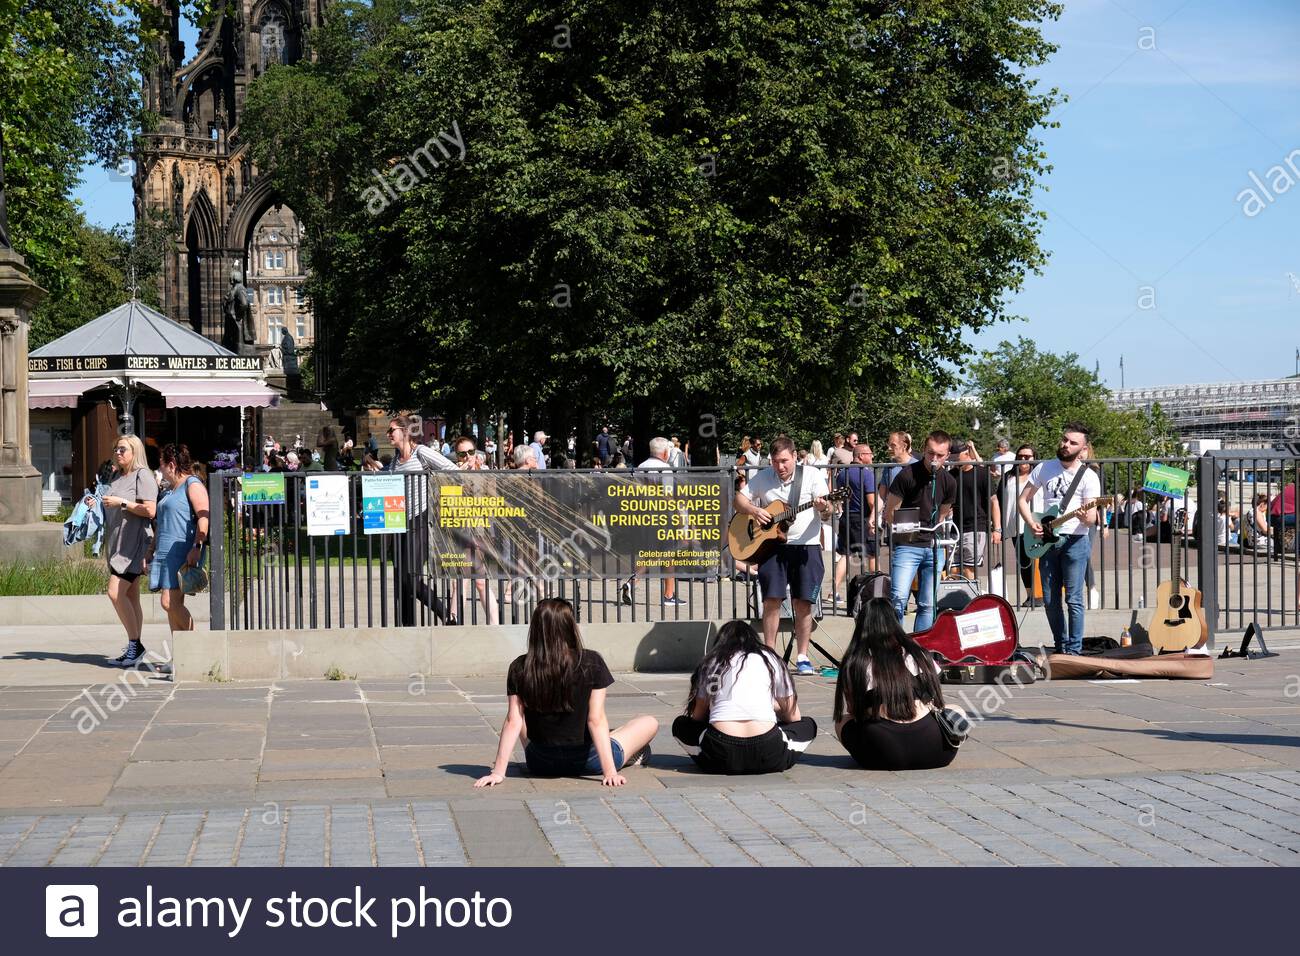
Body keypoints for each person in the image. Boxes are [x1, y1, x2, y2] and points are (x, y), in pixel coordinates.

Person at [475, 599, 658, 786]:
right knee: (648, 722)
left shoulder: (520, 667)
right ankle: (623, 751)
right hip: (589, 761)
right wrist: (610, 772)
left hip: (541, 763)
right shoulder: (591, 661)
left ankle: (615, 742)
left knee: (518, 714)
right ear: (570, 625)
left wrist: (498, 772)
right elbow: (595, 720)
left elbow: (513, 722)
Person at [732, 435, 834, 674]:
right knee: (771, 600)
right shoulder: (764, 476)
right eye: (776, 461)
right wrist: (755, 510)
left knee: (804, 602)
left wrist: (824, 506)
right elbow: (739, 500)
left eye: (785, 461)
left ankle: (802, 656)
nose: (780, 467)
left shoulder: (812, 476)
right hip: (773, 548)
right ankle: (769, 655)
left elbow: (829, 511)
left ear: (795, 456)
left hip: (805, 546)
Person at [672, 621, 816, 774]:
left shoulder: (711, 661)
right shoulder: (771, 659)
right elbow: (794, 717)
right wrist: (773, 706)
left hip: (720, 754)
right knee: (808, 725)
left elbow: (697, 717)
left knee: (681, 725)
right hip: (768, 752)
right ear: (754, 639)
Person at [834, 597, 961, 770]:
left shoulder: (856, 662)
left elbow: (853, 710)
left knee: (842, 720)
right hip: (935, 750)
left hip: (883, 751)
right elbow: (937, 702)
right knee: (956, 710)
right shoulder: (918, 654)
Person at [1017, 423, 1101, 655]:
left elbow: (1092, 518)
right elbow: (1023, 500)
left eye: (1073, 442)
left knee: (1073, 599)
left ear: (1083, 450)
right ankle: (1061, 644)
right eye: (1065, 440)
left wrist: (1086, 517)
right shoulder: (1044, 468)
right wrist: (1030, 522)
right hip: (1047, 539)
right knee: (1051, 599)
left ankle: (1074, 650)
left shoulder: (1089, 476)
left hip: (1075, 541)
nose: (1066, 445)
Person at [381, 414, 456, 625]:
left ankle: (446, 615)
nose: (388, 435)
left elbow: (451, 469)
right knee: (401, 579)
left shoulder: (421, 453)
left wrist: (438, 492)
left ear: (405, 432)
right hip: (399, 522)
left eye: (391, 430)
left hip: (421, 519)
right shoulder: (395, 460)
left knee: (410, 578)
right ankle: (406, 625)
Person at [883, 431, 956, 631]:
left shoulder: (949, 481)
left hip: (934, 546)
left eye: (940, 455)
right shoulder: (906, 475)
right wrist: (904, 525)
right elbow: (890, 513)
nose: (934, 459)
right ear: (923, 450)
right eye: (930, 453)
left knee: (928, 604)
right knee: (898, 599)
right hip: (908, 545)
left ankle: (921, 651)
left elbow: (942, 515)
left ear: (947, 455)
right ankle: (896, 649)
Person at [100, 434, 159, 667]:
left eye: (122, 449)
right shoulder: (117, 476)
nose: (117, 453)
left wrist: (121, 503)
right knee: (131, 596)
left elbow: (150, 510)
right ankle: (134, 646)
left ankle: (136, 645)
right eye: (115, 449)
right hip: (118, 543)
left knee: (115, 593)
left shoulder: (143, 475)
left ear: (135, 452)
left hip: (133, 545)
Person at [149, 444, 209, 642]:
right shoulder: (170, 490)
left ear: (171, 464)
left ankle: (198, 647)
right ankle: (180, 657)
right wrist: (150, 550)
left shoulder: (192, 484)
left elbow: (203, 518)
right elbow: (162, 524)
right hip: (165, 552)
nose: (160, 470)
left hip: (182, 551)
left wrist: (197, 546)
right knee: (171, 607)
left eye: (161, 465)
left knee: (169, 603)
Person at [637, 437, 682, 606]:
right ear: (664, 452)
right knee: (668, 554)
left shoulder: (641, 467)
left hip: (644, 515)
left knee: (650, 553)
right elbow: (668, 495)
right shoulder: (665, 469)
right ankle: (669, 595)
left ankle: (631, 582)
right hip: (663, 516)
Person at [950, 438, 1001, 581]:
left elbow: (994, 501)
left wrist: (997, 529)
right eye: (952, 457)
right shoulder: (950, 475)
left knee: (968, 568)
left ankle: (971, 600)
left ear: (966, 453)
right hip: (954, 527)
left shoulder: (982, 474)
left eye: (956, 457)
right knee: (952, 569)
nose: (953, 461)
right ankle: (956, 601)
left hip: (976, 526)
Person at [832, 442, 877, 604]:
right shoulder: (866, 474)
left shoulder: (842, 473)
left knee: (844, 554)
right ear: (861, 456)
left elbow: (839, 498)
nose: (872, 456)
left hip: (846, 517)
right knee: (872, 554)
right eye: (870, 453)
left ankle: (834, 591)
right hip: (863, 518)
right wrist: (876, 517)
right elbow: (872, 502)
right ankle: (875, 591)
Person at [999, 444, 1042, 605]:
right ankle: (1031, 595)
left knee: (1038, 560)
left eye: (1027, 457)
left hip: (1035, 524)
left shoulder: (1039, 475)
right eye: (1020, 456)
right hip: (1015, 525)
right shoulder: (1008, 477)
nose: (1023, 459)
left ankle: (1040, 594)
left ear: (1034, 458)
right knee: (1023, 562)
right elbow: (999, 498)